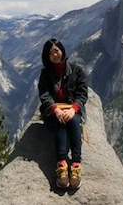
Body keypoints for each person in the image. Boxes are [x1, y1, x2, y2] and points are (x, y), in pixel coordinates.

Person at [38, 38, 88, 190]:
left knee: (72, 121)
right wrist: (56, 109)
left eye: (56, 51)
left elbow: (82, 94)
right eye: (51, 53)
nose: (55, 55)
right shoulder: (45, 74)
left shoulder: (76, 70)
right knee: (60, 120)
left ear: (62, 51)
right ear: (47, 56)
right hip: (54, 110)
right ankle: (61, 163)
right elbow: (44, 94)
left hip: (72, 108)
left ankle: (76, 163)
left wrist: (73, 109)